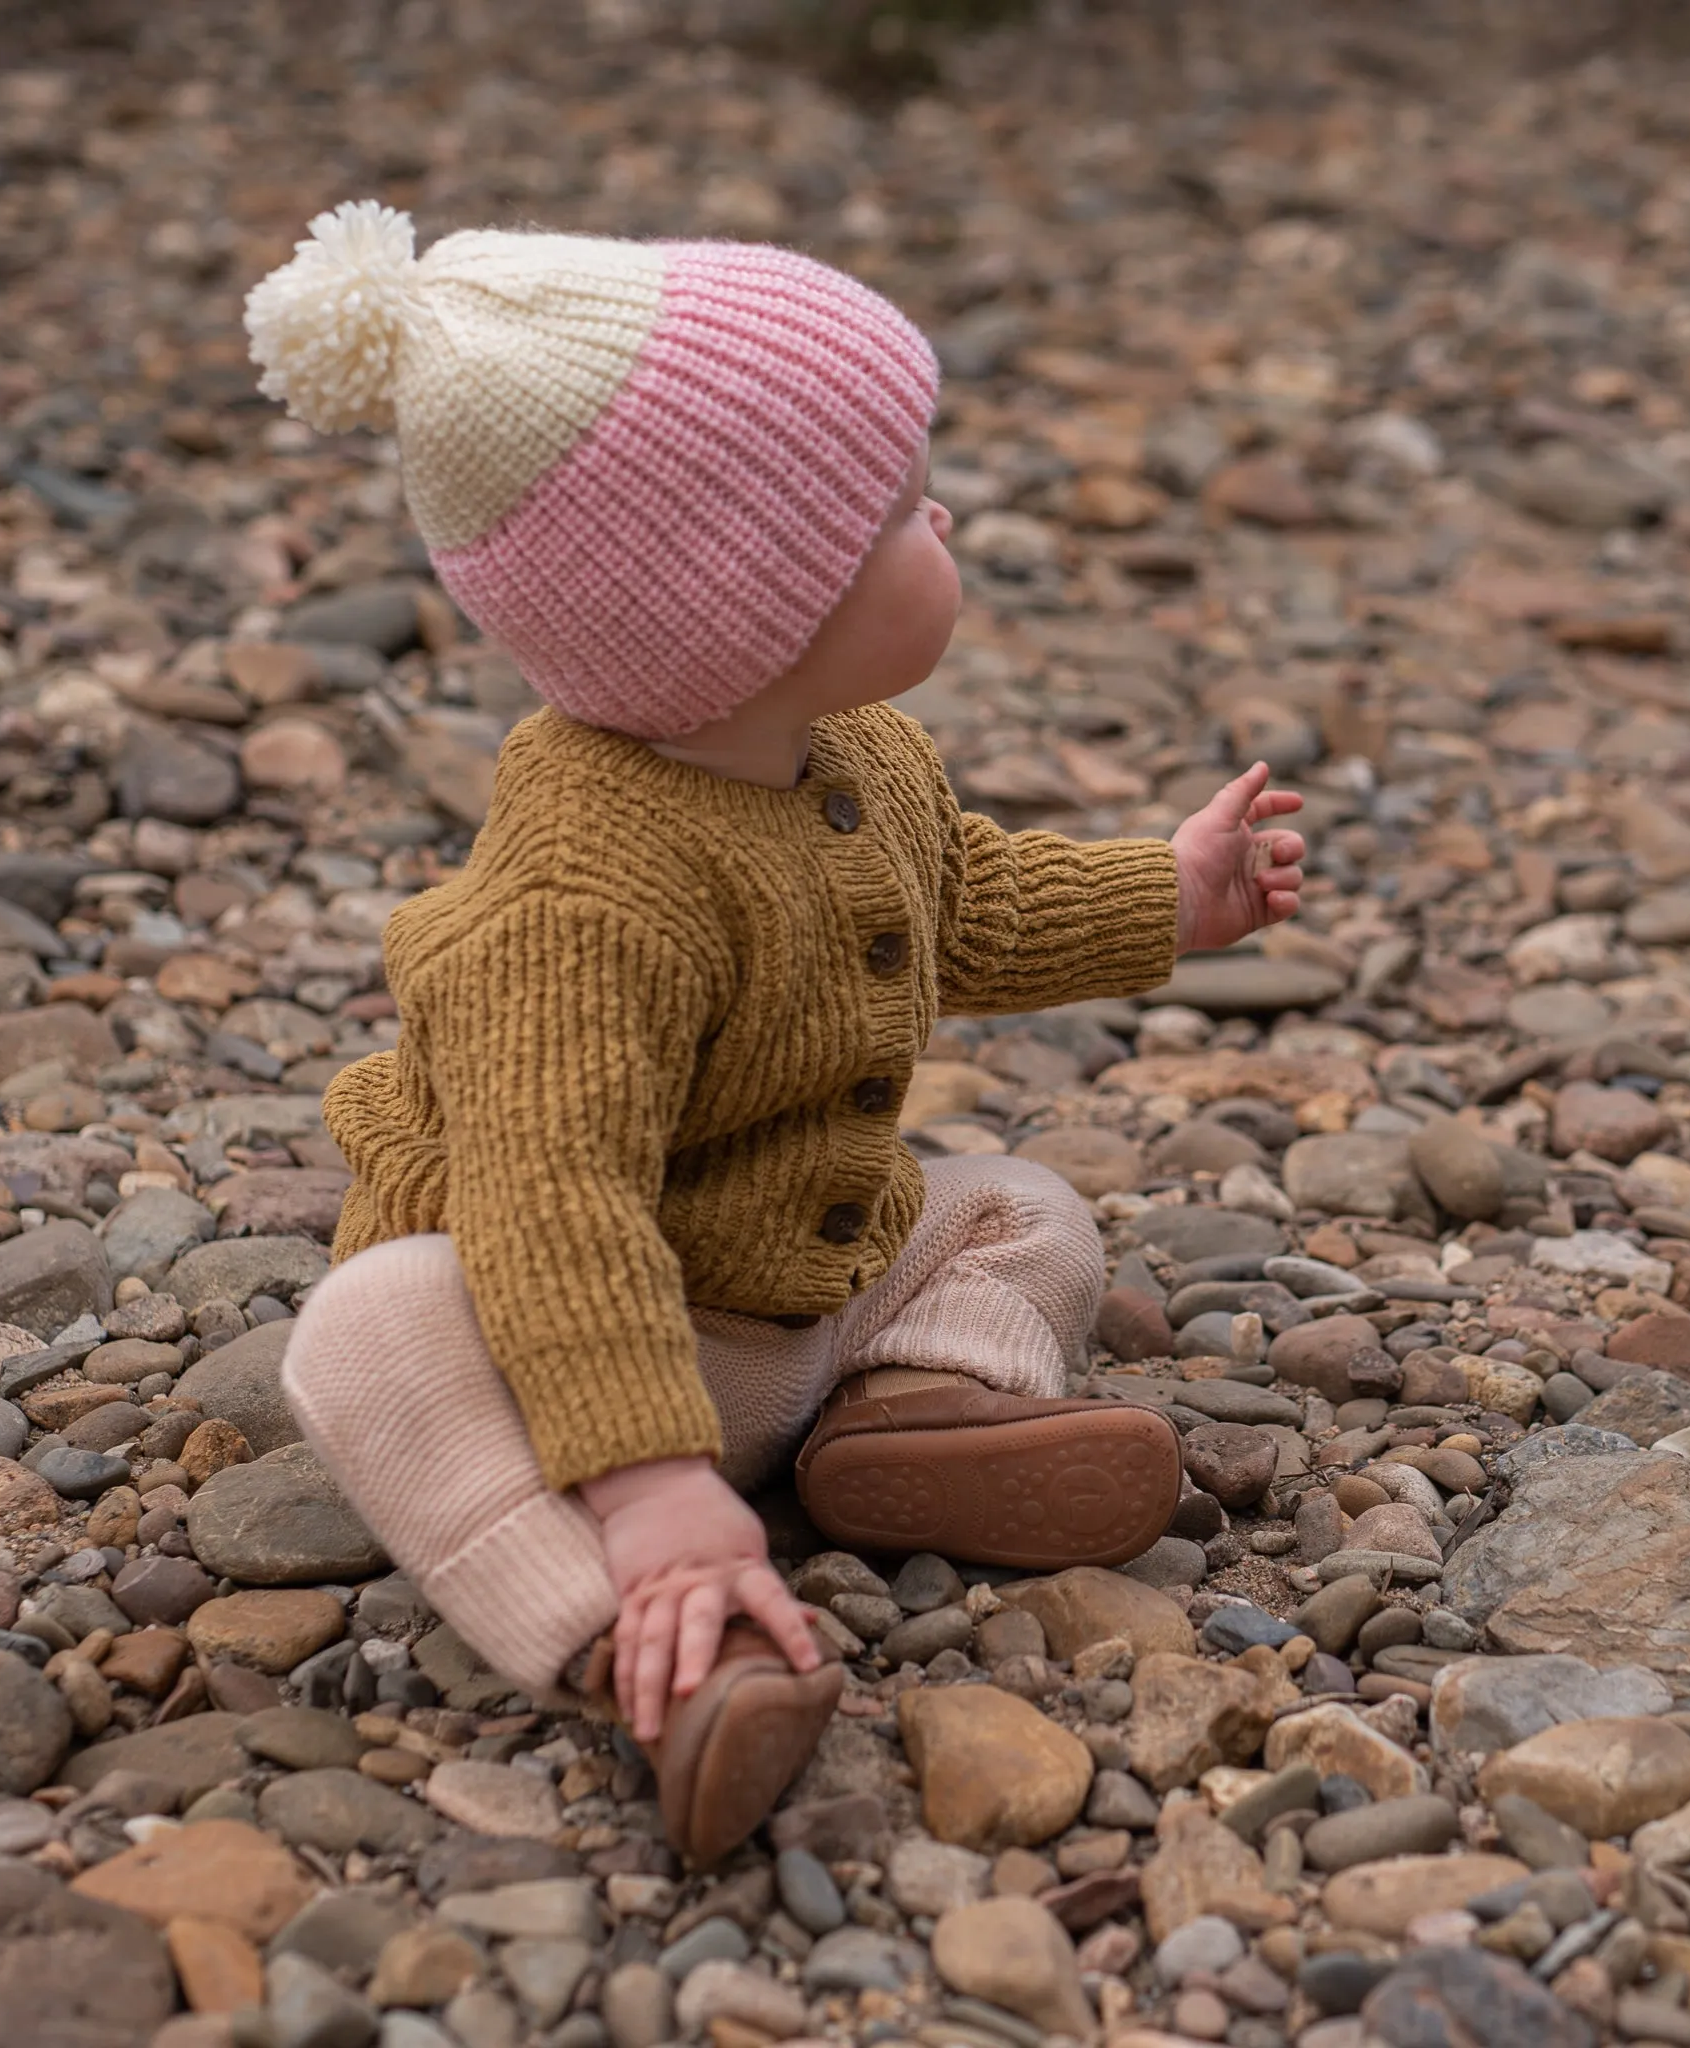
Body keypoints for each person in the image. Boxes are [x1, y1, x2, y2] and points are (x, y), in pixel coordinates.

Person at [246, 202, 1305, 1864]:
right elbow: (553, 1204)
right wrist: (653, 1477)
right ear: (744, 603)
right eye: (895, 512)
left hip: (789, 1297)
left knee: (1017, 1208)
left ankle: (914, 1416)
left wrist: (1165, 899)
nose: (940, 511)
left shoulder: (853, 755)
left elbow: (964, 905)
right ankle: (645, 1639)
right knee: (369, 1333)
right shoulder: (582, 899)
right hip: (568, 1352)